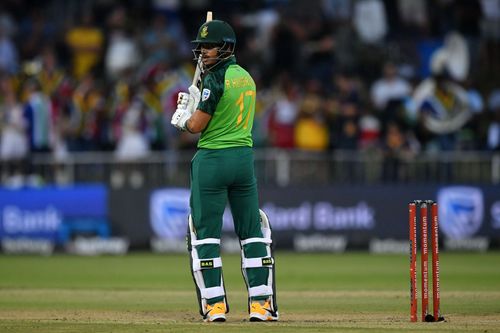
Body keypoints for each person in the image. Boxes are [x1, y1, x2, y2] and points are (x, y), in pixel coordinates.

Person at [171, 19, 278, 322]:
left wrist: (182, 116)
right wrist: (197, 102)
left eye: (209, 46)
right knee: (252, 232)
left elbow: (196, 126)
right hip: (243, 160)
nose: (203, 52)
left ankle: (214, 305)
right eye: (201, 47)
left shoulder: (214, 79)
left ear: (226, 47)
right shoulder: (246, 77)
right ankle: (261, 305)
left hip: (213, 161)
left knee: (205, 234)